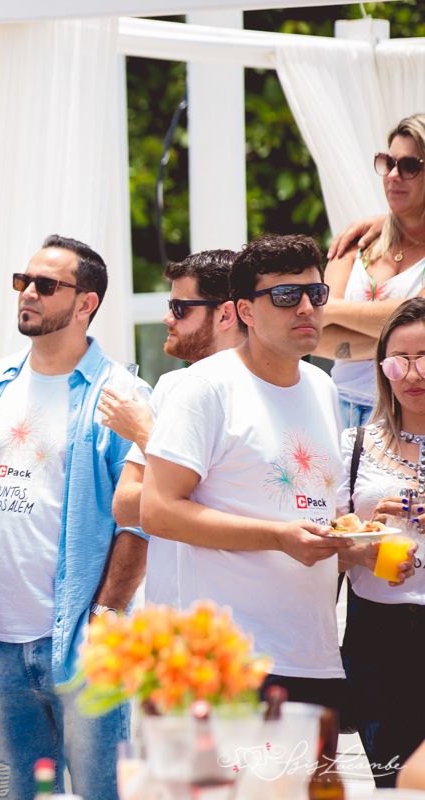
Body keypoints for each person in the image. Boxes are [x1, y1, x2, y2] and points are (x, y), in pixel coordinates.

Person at [0, 235, 146, 800]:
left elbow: (137, 523)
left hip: (82, 646)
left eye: (45, 284)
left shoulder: (121, 394)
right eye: (23, 281)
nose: (27, 293)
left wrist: (103, 620)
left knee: (99, 795)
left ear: (86, 303)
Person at [142, 234, 352, 720]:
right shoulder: (203, 388)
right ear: (244, 311)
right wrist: (277, 537)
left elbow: (318, 513)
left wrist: (357, 545)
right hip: (224, 662)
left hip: (314, 654)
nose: (306, 307)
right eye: (286, 296)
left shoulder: (322, 386)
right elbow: (157, 510)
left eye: (316, 294)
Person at [101, 250, 243, 607]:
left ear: (225, 314)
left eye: (180, 308)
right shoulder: (170, 386)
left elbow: (246, 502)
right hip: (171, 617)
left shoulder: (263, 392)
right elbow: (126, 506)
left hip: (240, 617)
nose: (167, 318)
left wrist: (145, 434)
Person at [336, 297, 425, 786]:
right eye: (398, 361)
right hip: (376, 639)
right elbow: (327, 547)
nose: (413, 374)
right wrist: (366, 535)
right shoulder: (353, 445)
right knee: (392, 784)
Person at [317, 114, 425, 428]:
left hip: (406, 417)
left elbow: (420, 322)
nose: (393, 175)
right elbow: (315, 334)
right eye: (387, 162)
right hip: (338, 410)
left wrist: (333, 310)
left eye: (409, 166)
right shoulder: (356, 242)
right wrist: (400, 343)